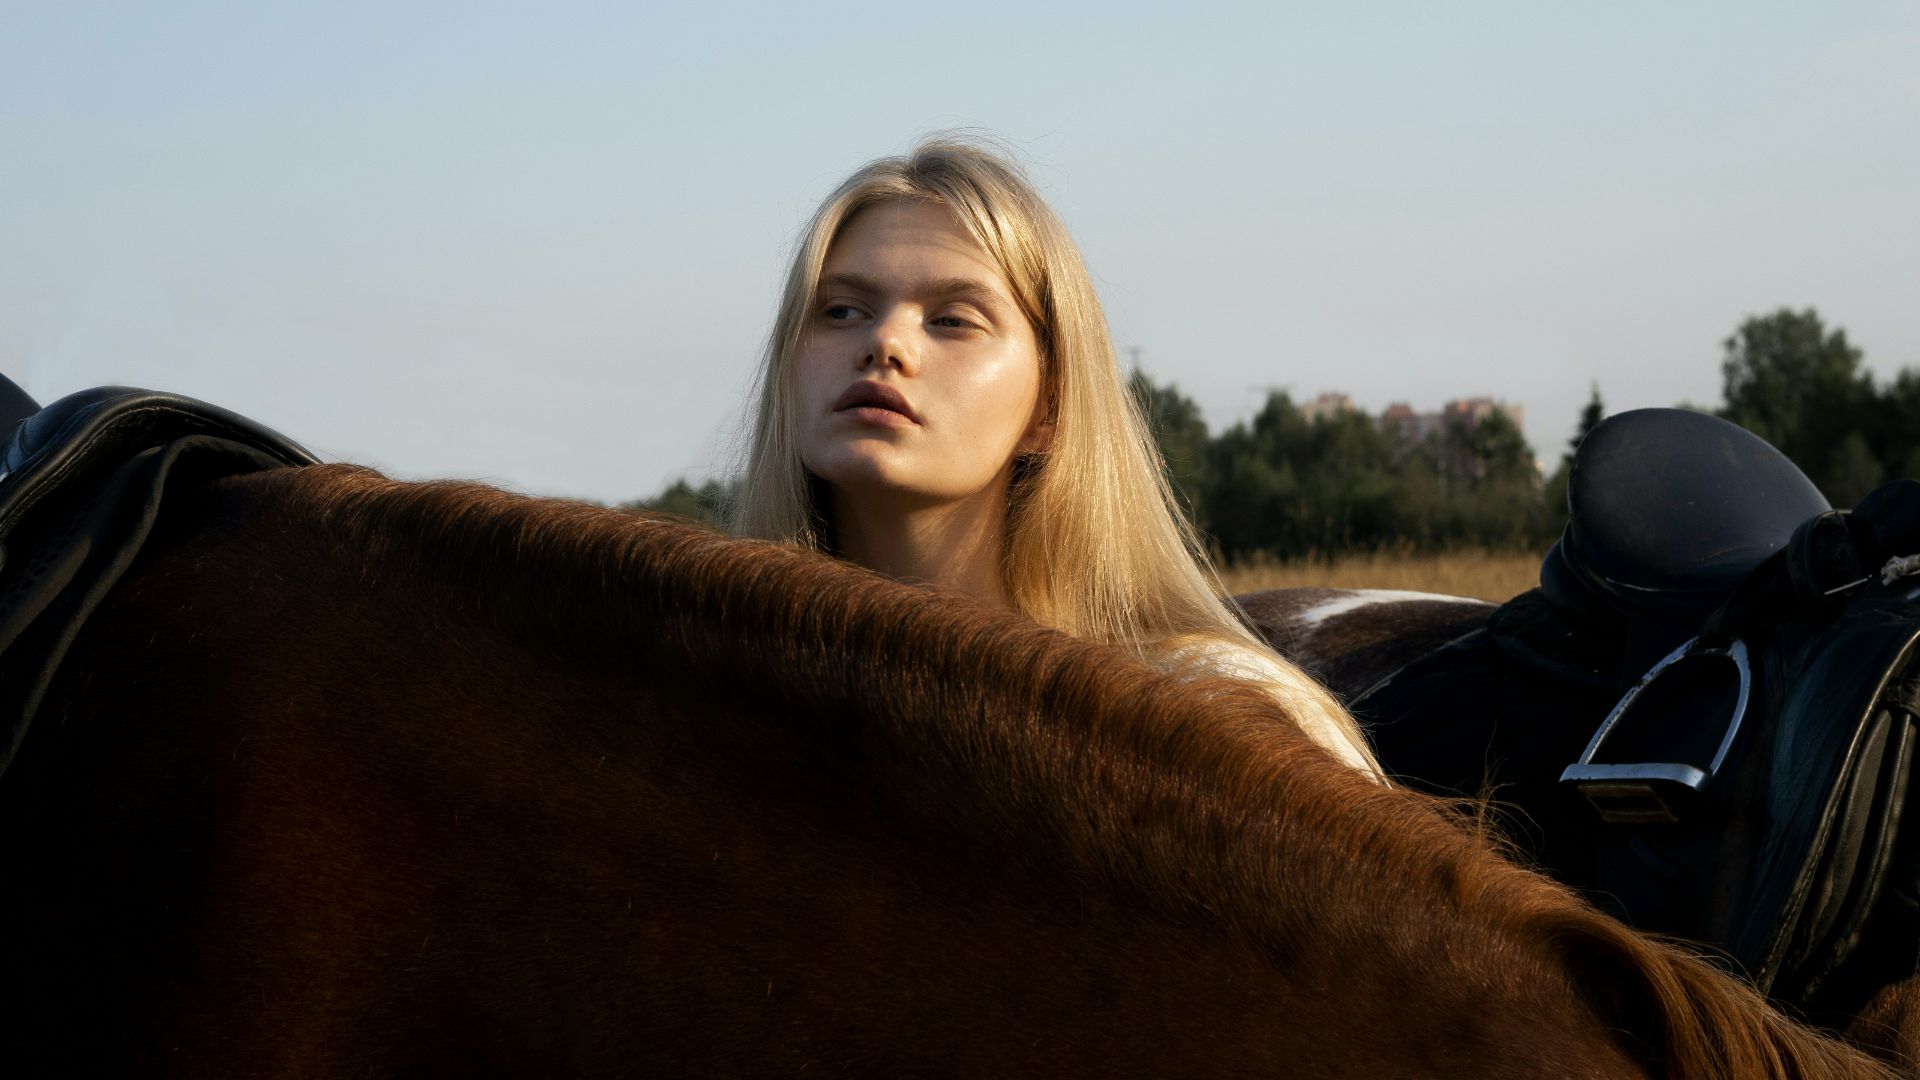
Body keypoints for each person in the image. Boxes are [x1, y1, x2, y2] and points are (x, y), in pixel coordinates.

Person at [733, 135, 1384, 782]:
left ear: (1050, 407)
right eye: (841, 309)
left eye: (954, 320)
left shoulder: (1215, 712)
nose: (885, 343)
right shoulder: (714, 706)